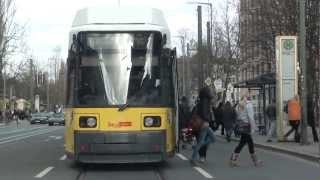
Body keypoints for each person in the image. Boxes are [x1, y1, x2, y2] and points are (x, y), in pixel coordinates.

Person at [230, 97, 262, 167]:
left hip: (241, 125)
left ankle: (233, 159)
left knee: (242, 143)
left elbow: (237, 115)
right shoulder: (249, 105)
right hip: (247, 126)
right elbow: (250, 117)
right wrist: (254, 127)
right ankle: (255, 161)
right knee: (250, 143)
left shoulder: (239, 105)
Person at [190, 78, 215, 164]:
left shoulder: (203, 100)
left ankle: (195, 151)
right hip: (204, 124)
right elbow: (204, 113)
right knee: (211, 139)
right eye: (209, 91)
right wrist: (206, 121)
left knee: (206, 140)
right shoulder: (205, 101)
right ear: (207, 93)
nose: (211, 92)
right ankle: (193, 156)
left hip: (203, 123)